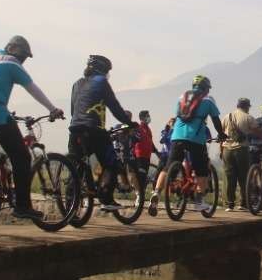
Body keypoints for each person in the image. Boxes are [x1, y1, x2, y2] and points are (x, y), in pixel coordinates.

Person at [0, 36, 63, 221]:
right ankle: (22, 206)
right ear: (11, 47)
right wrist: (52, 109)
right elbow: (32, 88)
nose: (23, 59)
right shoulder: (11, 62)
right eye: (23, 54)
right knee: (22, 157)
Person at [148, 75, 226, 214]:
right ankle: (198, 200)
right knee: (202, 170)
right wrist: (221, 134)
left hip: (176, 136)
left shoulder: (181, 97)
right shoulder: (208, 100)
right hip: (195, 139)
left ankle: (156, 192)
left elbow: (177, 115)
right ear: (205, 88)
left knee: (168, 167)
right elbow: (216, 120)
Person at [69, 54, 133, 209]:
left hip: (75, 128)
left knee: (76, 166)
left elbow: (73, 109)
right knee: (111, 163)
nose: (107, 75)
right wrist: (129, 122)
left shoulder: (76, 84)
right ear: (102, 70)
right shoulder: (101, 82)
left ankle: (70, 202)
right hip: (94, 130)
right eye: (107, 71)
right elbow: (114, 107)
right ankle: (106, 199)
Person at [220, 98, 262, 211]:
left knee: (229, 177)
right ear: (247, 106)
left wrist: (221, 151)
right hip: (241, 150)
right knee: (243, 177)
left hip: (227, 150)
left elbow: (221, 135)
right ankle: (243, 203)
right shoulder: (248, 117)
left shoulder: (227, 116)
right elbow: (259, 133)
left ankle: (230, 204)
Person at [128, 110, 160, 209]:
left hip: (147, 157)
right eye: (147, 116)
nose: (149, 117)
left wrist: (157, 152)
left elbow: (150, 142)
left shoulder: (148, 129)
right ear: (143, 117)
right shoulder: (138, 127)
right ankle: (139, 197)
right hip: (139, 155)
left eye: (149, 115)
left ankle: (140, 199)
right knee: (139, 178)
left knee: (143, 178)